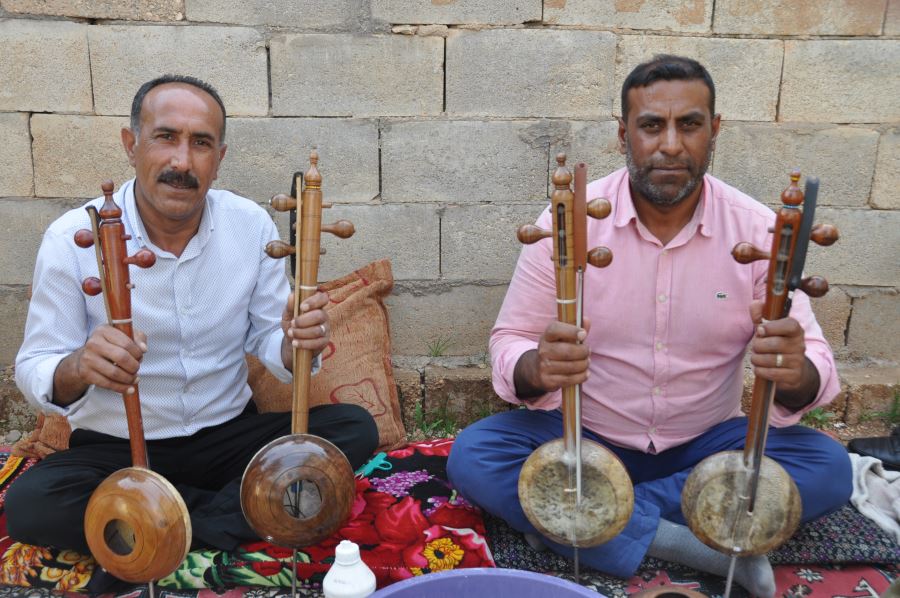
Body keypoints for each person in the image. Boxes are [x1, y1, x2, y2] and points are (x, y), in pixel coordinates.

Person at [448, 55, 851, 597]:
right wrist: (536, 367)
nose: (670, 145)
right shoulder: (567, 224)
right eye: (651, 126)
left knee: (828, 467)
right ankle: (688, 542)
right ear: (623, 135)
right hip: (583, 437)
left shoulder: (759, 231)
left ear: (714, 131)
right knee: (474, 455)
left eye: (689, 124)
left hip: (704, 444)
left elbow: (816, 372)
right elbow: (509, 344)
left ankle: (579, 522)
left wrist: (793, 368)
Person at [8, 75, 378, 566]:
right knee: (30, 504)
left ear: (219, 159)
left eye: (200, 143)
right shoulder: (73, 237)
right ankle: (251, 511)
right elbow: (35, 367)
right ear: (131, 144)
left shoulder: (249, 225)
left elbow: (270, 335)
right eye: (165, 137)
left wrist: (293, 343)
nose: (182, 162)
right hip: (117, 450)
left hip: (227, 438)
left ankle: (153, 525)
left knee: (353, 427)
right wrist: (79, 365)